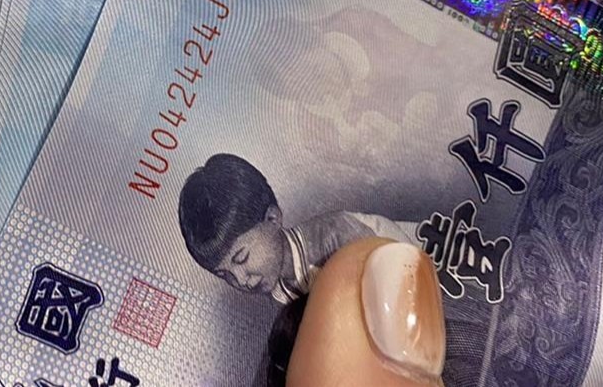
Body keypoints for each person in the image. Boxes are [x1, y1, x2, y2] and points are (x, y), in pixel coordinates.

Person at [177, 154, 445, 385]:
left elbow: (405, 294)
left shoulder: (339, 238)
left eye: (242, 258)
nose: (241, 279)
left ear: (272, 218)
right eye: (224, 274)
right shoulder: (280, 290)